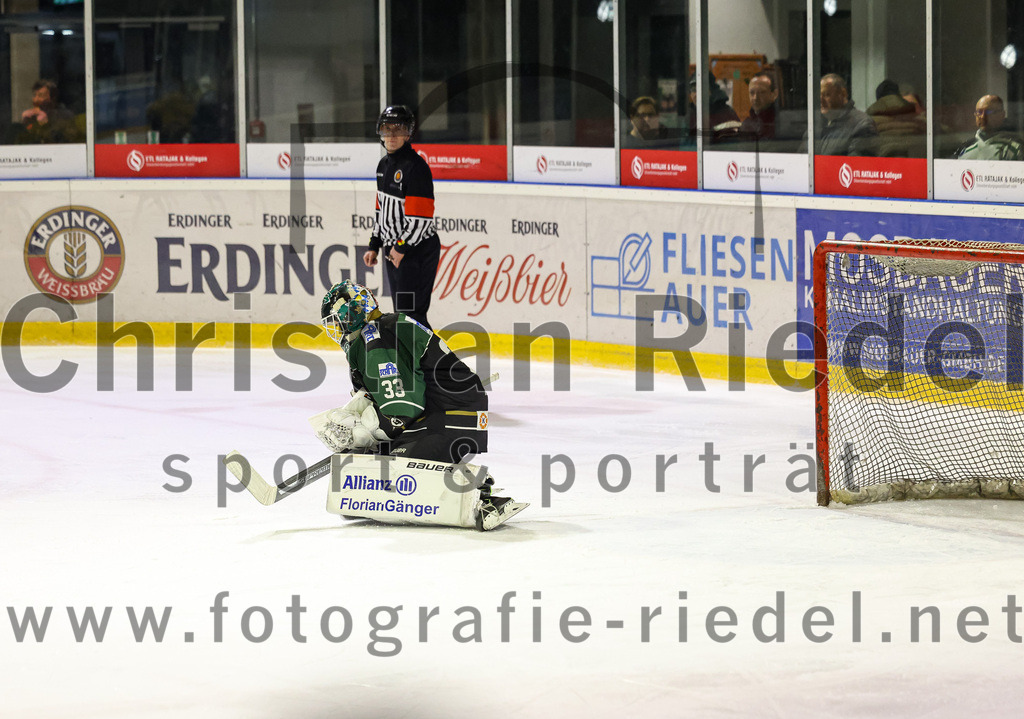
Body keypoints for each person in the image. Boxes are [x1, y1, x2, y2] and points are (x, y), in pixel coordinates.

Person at [315, 279, 526, 530]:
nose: (338, 331)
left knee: (389, 474)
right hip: (442, 413)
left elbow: (404, 408)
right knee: (366, 474)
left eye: (338, 323)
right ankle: (458, 479)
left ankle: (479, 494)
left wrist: (364, 431)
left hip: (450, 417)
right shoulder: (382, 328)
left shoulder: (377, 336)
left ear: (352, 314)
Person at [363, 105, 441, 329]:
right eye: (387, 129)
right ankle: (420, 362)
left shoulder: (416, 167)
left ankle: (430, 362)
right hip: (396, 250)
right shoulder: (383, 166)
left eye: (398, 130)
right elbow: (382, 210)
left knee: (411, 314)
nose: (392, 136)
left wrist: (401, 247)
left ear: (408, 134)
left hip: (416, 251)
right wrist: (375, 244)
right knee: (405, 314)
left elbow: (421, 219)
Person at [815, 73, 878, 156]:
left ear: (843, 94)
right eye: (819, 96)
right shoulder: (815, 124)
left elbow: (855, 165)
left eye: (827, 95)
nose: (821, 101)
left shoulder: (862, 124)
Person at [736, 71, 802, 151]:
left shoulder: (782, 124)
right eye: (752, 93)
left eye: (762, 92)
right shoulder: (746, 125)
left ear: (774, 94)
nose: (755, 98)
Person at [866, 79, 925, 157]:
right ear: (898, 95)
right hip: (915, 164)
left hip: (881, 165)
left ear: (878, 98)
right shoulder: (917, 119)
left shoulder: (867, 121)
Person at [955, 94, 1024, 161]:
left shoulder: (1015, 148)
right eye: (979, 112)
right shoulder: (965, 148)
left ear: (1002, 115)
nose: (983, 116)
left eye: (989, 112)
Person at [17, 79, 78, 143]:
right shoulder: (31, 116)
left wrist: (45, 122)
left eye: (41, 96)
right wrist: (25, 122)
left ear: (53, 98)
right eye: (34, 95)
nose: (36, 100)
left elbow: (67, 138)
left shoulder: (65, 115)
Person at [687, 72, 742, 145]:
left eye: (701, 88)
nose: (697, 94)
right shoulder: (690, 115)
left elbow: (731, 148)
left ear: (712, 91)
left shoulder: (726, 114)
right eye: (693, 89)